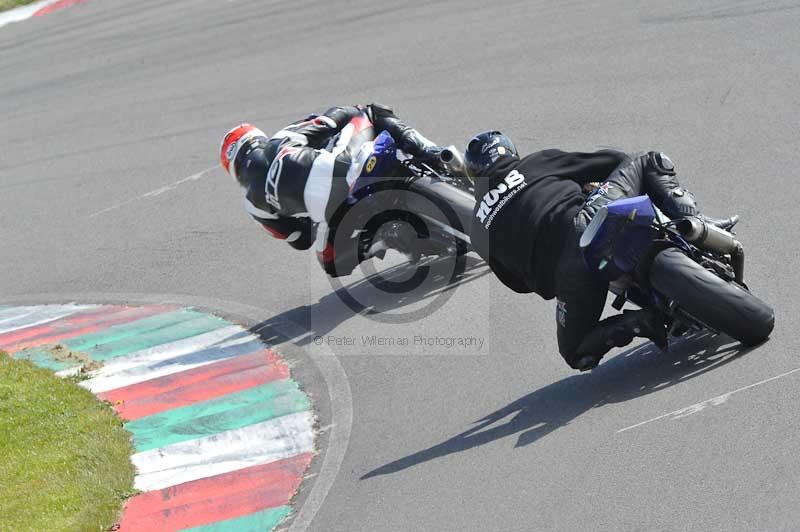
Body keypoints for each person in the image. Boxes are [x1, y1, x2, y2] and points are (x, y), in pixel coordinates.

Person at [464, 131, 736, 371]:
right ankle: (694, 221)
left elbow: (519, 284)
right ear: (510, 152)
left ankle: (641, 322)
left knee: (575, 351)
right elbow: (612, 160)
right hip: (590, 222)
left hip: (568, 276)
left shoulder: (477, 229)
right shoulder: (532, 163)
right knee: (647, 159)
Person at [219, 104, 441, 276]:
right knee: (371, 111)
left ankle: (385, 235)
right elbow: (332, 120)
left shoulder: (252, 205)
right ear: (257, 138)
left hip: (335, 215)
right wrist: (351, 112)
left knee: (331, 262)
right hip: (345, 170)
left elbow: (300, 239)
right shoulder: (281, 138)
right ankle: (432, 152)